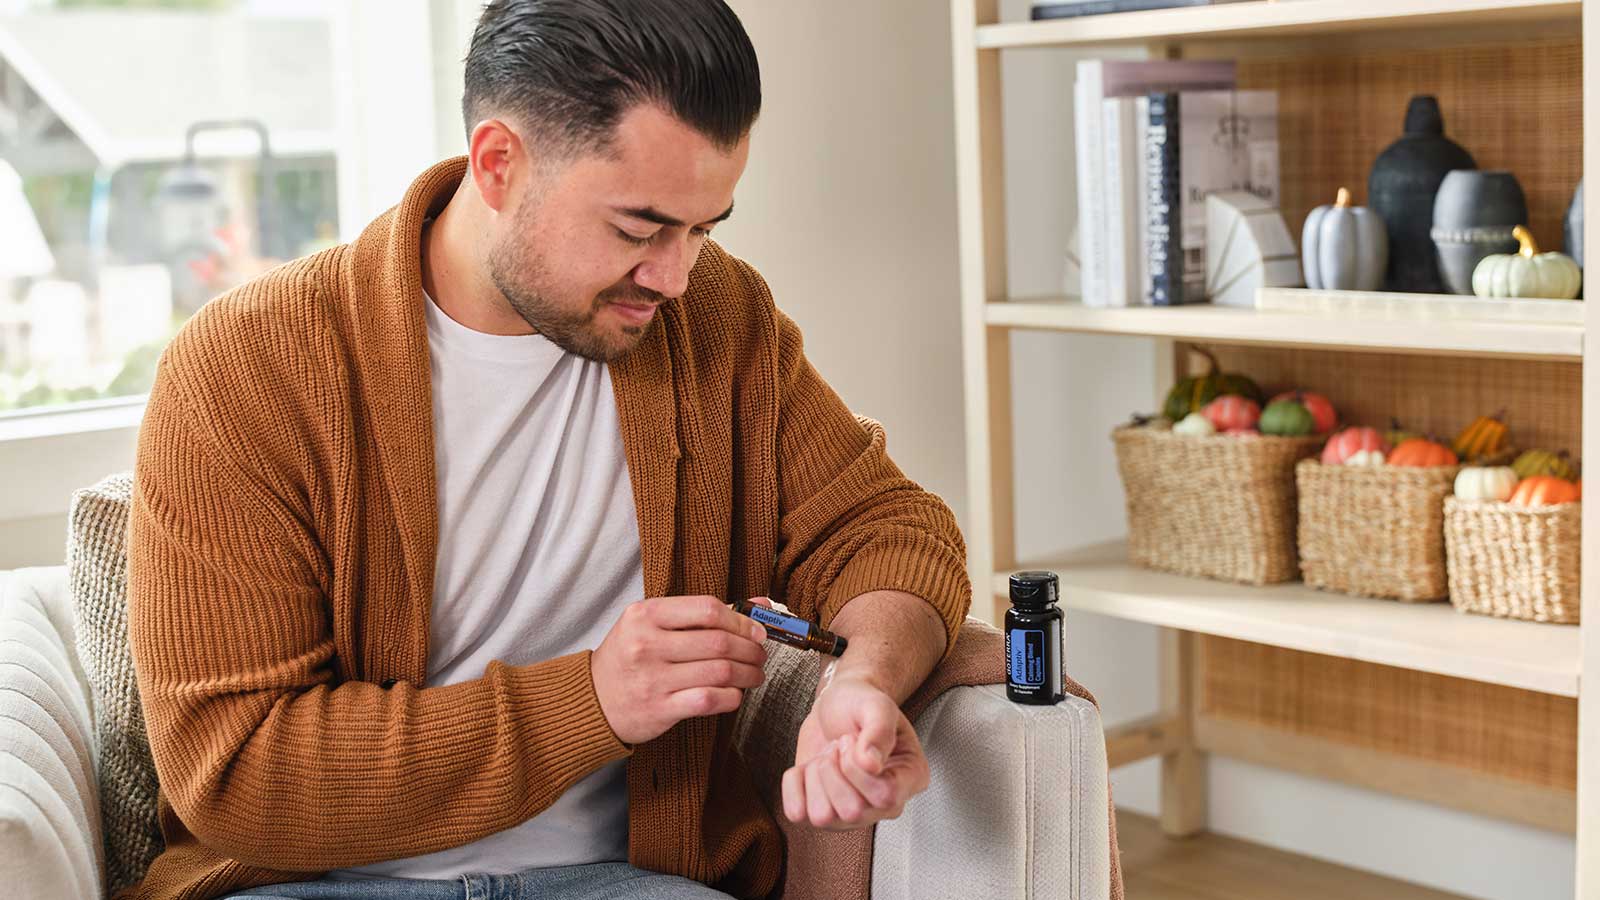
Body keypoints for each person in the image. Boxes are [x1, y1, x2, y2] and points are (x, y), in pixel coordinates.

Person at [125, 2, 970, 899]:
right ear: (499, 164)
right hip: (311, 883)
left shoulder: (715, 321)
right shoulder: (247, 367)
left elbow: (886, 528)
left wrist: (864, 683)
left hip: (628, 880)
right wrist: (592, 703)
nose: (675, 276)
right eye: (639, 229)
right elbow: (236, 769)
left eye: (704, 229)